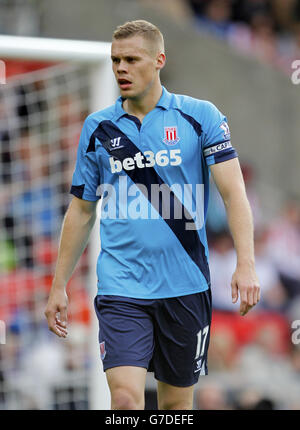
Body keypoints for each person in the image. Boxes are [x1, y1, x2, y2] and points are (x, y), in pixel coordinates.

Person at [45, 19, 260, 410]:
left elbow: (234, 194)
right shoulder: (98, 128)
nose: (120, 68)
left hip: (186, 284)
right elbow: (81, 208)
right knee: (125, 402)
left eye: (131, 59)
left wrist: (246, 263)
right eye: (115, 60)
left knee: (175, 408)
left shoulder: (200, 117)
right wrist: (59, 283)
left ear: (159, 60)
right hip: (121, 286)